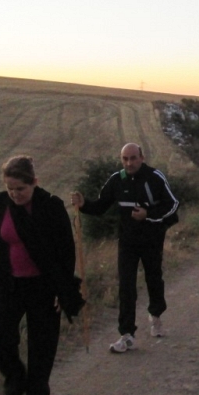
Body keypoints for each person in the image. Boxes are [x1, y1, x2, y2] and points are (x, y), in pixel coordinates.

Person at [0, 156, 84, 395]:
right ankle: (15, 385)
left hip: (43, 283)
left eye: (21, 188)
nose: (15, 194)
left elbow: (66, 251)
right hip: (7, 281)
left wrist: (62, 289)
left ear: (35, 183)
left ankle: (37, 393)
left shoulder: (51, 207)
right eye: (10, 188)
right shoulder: (0, 204)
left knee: (42, 339)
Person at [71, 143, 179, 352]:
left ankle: (156, 314)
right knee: (126, 286)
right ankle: (127, 334)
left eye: (133, 158)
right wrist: (84, 204)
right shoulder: (117, 180)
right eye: (125, 159)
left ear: (142, 157)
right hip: (127, 241)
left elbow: (173, 204)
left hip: (152, 239)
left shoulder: (155, 177)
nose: (129, 163)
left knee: (154, 278)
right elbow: (100, 206)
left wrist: (148, 214)